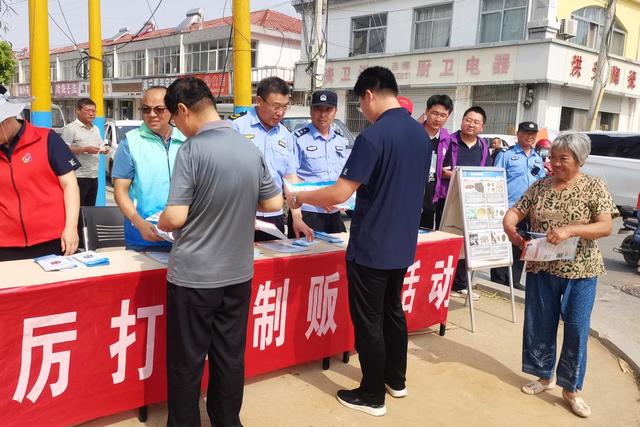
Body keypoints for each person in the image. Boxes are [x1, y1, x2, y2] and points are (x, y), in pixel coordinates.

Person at [289, 66, 429, 417]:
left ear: (369, 95)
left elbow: (340, 192)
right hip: (402, 243)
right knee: (393, 311)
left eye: (360, 104)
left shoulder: (373, 137)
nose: (363, 111)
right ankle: (395, 380)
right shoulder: (420, 134)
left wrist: (301, 197)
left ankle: (371, 394)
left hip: (371, 246)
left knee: (369, 321)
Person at [158, 77, 282, 427]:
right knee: (229, 355)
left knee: (187, 361)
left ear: (182, 110)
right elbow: (273, 203)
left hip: (194, 277)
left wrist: (163, 221)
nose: (177, 127)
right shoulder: (248, 147)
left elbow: (176, 216)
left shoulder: (192, 150)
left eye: (174, 119)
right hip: (238, 274)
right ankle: (227, 421)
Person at [503, 130, 618, 418]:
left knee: (577, 327)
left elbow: (605, 226)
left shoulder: (594, 186)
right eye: (552, 157)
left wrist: (571, 230)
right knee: (540, 323)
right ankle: (544, 376)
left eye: (562, 158)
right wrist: (509, 226)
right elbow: (516, 210)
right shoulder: (540, 186)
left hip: (581, 269)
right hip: (542, 266)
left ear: (580, 160)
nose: (554, 163)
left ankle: (571, 388)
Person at [0, 85, 80, 261]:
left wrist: (71, 227)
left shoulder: (47, 139)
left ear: (7, 119)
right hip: (5, 244)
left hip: (53, 239)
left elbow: (70, 186)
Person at [229, 76, 312, 241]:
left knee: (273, 257)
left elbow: (290, 179)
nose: (280, 113)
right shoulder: (236, 127)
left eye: (285, 107)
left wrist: (297, 217)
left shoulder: (286, 135)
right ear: (259, 101)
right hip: (240, 216)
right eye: (276, 106)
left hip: (274, 217)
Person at [112, 86, 186, 252]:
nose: (152, 114)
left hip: (185, 236)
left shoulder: (187, 139)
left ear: (173, 109)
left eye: (159, 109)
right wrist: (138, 223)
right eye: (146, 109)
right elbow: (120, 191)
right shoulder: (130, 142)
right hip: (143, 236)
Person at [433, 106, 489, 299]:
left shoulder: (483, 147)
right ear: (462, 121)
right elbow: (440, 170)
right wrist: (463, 176)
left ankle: (460, 284)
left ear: (482, 126)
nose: (471, 124)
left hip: (472, 202)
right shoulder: (449, 141)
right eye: (468, 120)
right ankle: (441, 283)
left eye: (476, 122)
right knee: (447, 240)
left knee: (467, 242)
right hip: (448, 199)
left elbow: (486, 172)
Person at [490, 121, 546, 290]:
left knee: (522, 243)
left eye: (533, 134)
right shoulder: (506, 154)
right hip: (509, 207)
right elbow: (496, 179)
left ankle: (514, 280)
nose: (530, 137)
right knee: (503, 243)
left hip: (529, 209)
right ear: (518, 134)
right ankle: (498, 280)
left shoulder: (537, 157)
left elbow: (541, 181)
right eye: (526, 133)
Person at [289, 90, 347, 236]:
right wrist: (320, 198)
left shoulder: (340, 140)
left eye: (328, 110)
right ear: (311, 110)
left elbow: (342, 175)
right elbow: (291, 178)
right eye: (318, 109)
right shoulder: (297, 138)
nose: (323, 114)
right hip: (308, 212)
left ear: (335, 111)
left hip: (334, 212)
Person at [61, 98, 109, 206]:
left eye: (93, 111)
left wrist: (104, 149)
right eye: (88, 110)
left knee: (89, 209)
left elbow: (100, 145)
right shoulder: (70, 128)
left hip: (93, 175)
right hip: (78, 176)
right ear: (78, 110)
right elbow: (63, 149)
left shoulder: (95, 129)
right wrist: (84, 149)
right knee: (77, 208)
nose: (91, 114)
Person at [419, 94, 453, 229]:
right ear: (427, 112)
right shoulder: (413, 133)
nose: (438, 119)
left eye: (443, 115)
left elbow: (445, 170)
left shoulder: (447, 140)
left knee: (425, 234)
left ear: (447, 117)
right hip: (409, 195)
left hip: (431, 197)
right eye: (434, 113)